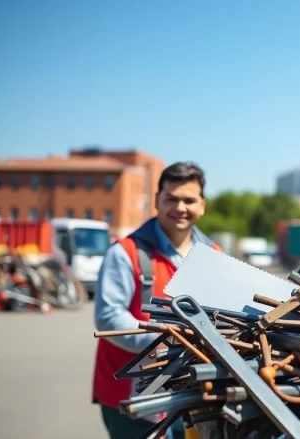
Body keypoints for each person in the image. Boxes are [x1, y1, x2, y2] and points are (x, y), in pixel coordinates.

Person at [92, 162, 222, 439]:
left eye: (189, 200)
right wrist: (167, 342)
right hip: (133, 398)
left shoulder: (213, 255)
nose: (180, 207)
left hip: (194, 392)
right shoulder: (126, 252)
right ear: (157, 201)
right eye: (171, 199)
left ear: (202, 205)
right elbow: (108, 317)